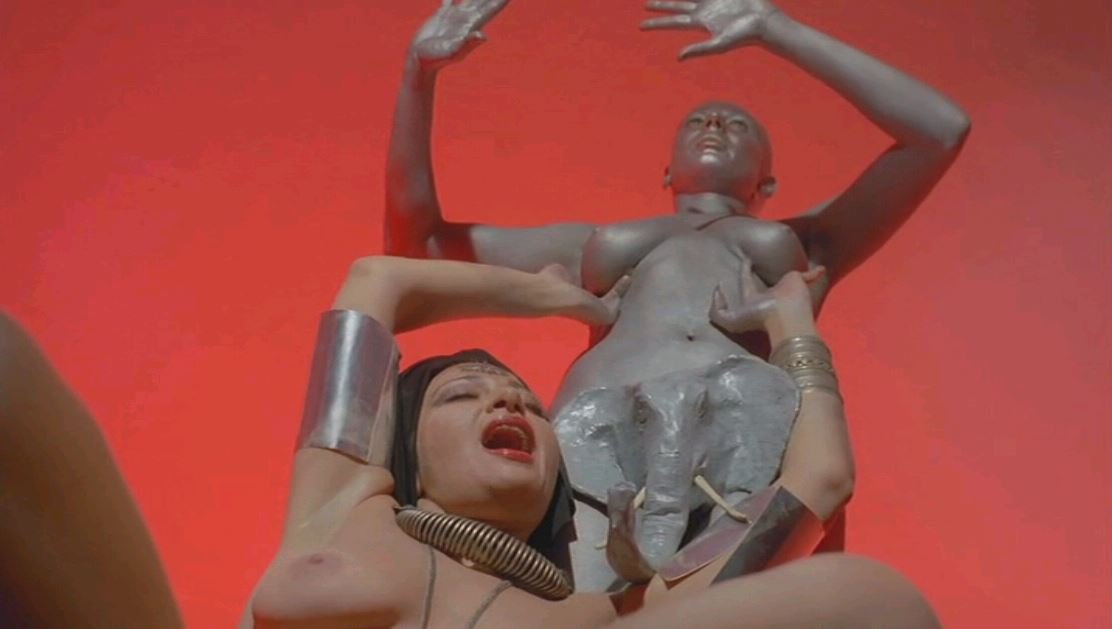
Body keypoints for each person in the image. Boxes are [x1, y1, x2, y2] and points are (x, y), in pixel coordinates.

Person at [384, 0, 971, 588]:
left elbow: (939, 133)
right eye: (698, 121)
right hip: (600, 431)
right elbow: (421, 245)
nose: (714, 124)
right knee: (576, 605)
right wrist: (419, 74)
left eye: (738, 125)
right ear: (666, 172)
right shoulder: (595, 242)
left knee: (721, 609)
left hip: (743, 433)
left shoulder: (809, 244)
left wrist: (774, 28)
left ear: (767, 182)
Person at [243, 255, 938, 628]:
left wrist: (791, 325)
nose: (507, 401)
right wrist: (561, 299)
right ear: (406, 452)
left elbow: (819, 480)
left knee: (865, 593)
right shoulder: (343, 503)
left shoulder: (599, 610)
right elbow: (378, 281)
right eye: (461, 395)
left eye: (531, 405)